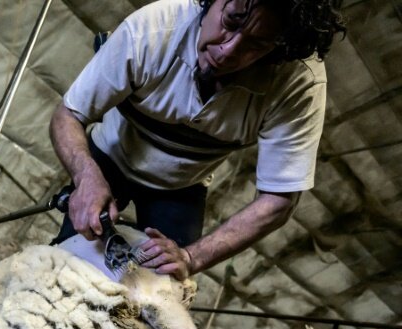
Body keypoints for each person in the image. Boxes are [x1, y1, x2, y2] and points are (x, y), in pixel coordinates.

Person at [50, 0, 345, 280]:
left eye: (257, 44)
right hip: (109, 157)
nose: (228, 50)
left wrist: (192, 257)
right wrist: (85, 175)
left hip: (182, 185)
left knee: (167, 286)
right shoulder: (153, 30)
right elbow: (69, 114)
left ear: (280, 48)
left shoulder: (298, 82)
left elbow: (278, 199)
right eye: (231, 20)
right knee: (69, 261)